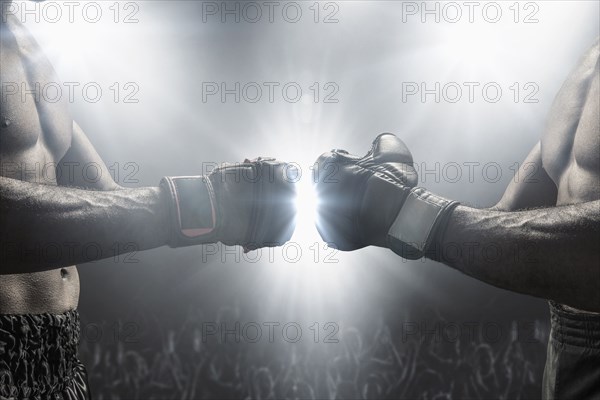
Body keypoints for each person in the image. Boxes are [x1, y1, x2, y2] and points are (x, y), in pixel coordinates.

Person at [0, 1, 296, 397]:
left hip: (60, 347)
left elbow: (113, 201)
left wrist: (269, 197)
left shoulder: (28, 36)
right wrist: (217, 205)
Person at [314, 37, 600, 399]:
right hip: (566, 342)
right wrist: (381, 213)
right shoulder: (588, 62)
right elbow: (504, 221)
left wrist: (402, 210)